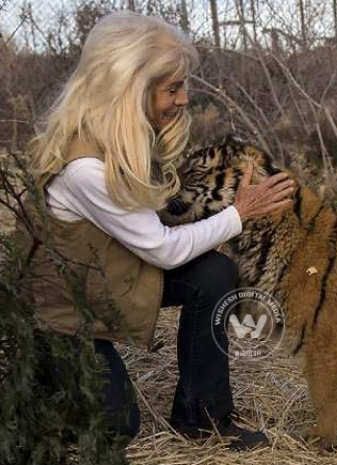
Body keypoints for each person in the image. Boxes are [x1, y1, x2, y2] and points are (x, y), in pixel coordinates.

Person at [27, 11, 294, 451]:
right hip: (66, 320)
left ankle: (202, 417)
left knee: (212, 274)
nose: (184, 99)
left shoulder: (118, 137)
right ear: (129, 89)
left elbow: (152, 226)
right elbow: (164, 251)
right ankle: (42, 380)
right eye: (172, 88)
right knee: (115, 427)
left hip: (104, 283)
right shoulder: (87, 168)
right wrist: (239, 213)